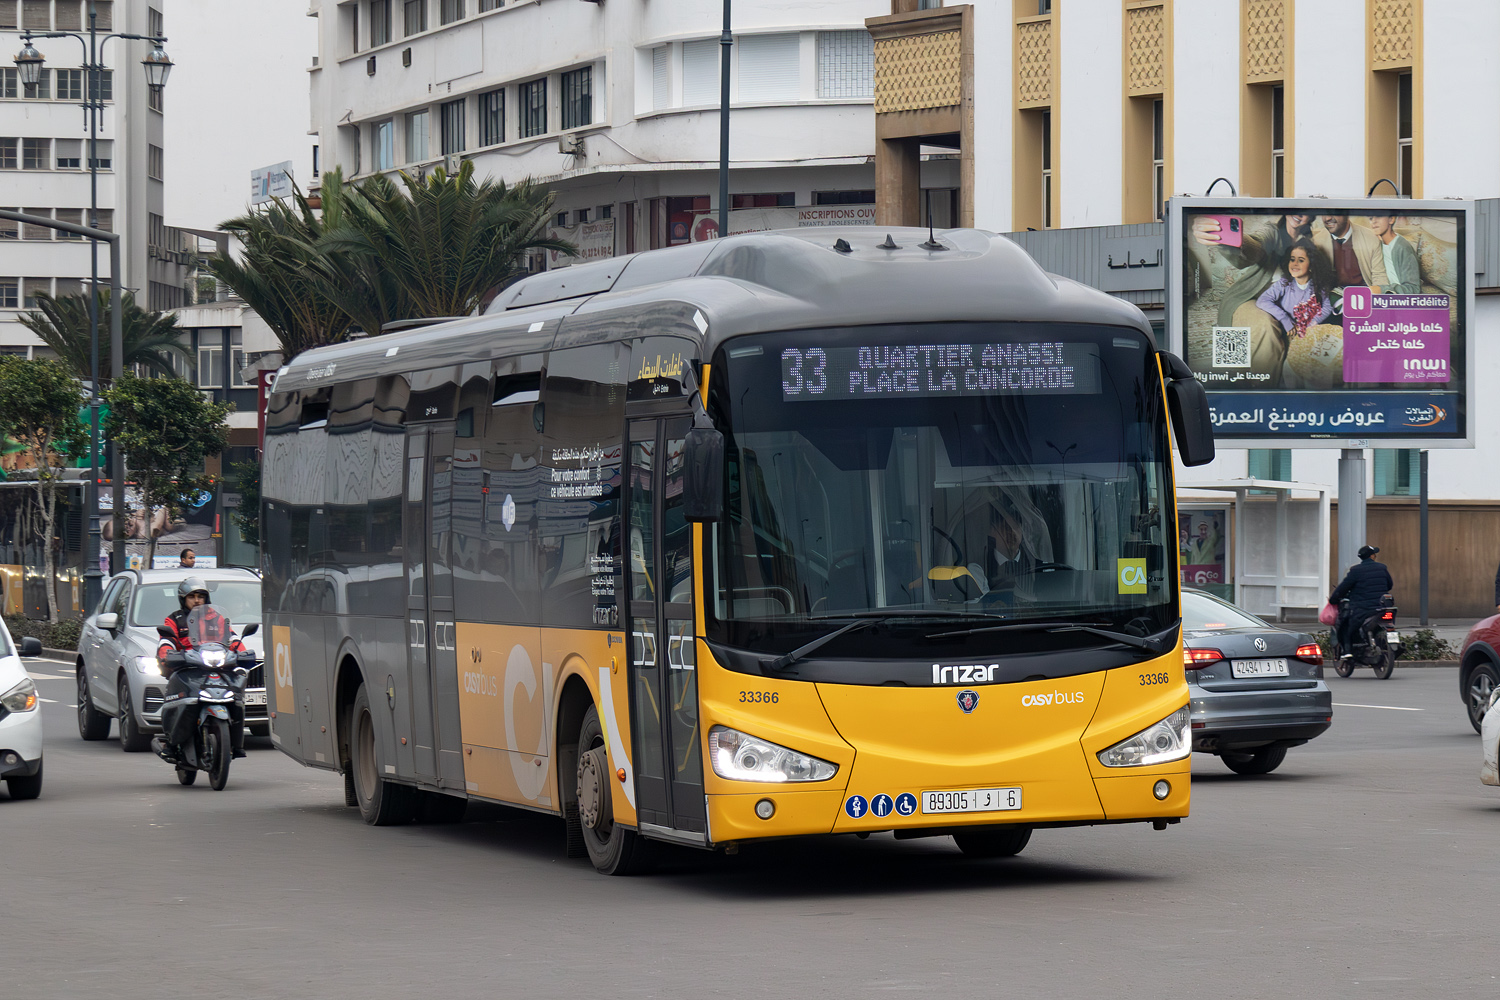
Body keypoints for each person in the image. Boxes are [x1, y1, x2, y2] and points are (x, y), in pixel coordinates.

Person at [1192, 213, 1314, 385]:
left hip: (1290, 304)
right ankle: (1264, 399)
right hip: (1252, 298)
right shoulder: (1272, 232)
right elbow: (1255, 246)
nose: (1299, 214)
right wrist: (1232, 239)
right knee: (1264, 327)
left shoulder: (1312, 239)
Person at [157, 577, 248, 763]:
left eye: (201, 596)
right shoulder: (175, 619)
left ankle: (235, 743)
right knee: (187, 702)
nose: (197, 600)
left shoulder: (217, 618)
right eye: (192, 596)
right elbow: (166, 641)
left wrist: (243, 652)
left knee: (236, 697)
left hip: (216, 665)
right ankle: (173, 744)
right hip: (188, 668)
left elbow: (231, 638)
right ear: (183, 599)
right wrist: (167, 654)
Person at [1256, 239, 1336, 339]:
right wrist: (1285, 319)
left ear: (1311, 265)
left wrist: (1310, 325)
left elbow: (1327, 307)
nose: (1295, 263)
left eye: (1301, 260)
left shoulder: (1319, 285)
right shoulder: (1284, 283)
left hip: (1308, 330)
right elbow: (1262, 300)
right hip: (1287, 328)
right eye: (1292, 259)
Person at [1311, 215, 1391, 312]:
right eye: (1324, 213)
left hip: (1365, 299)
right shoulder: (1317, 242)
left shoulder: (1371, 238)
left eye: (1333, 212)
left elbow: (1379, 277)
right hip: (1332, 303)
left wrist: (1378, 306)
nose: (1327, 218)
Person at [1329, 545, 1394, 659]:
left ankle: (1348, 652)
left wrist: (1333, 599)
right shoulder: (1382, 567)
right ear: (1372, 556)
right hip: (1382, 607)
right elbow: (1389, 585)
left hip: (1363, 609)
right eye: (1375, 554)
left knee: (1345, 626)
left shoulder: (1355, 571)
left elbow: (1343, 587)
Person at [1367, 214, 1422, 294]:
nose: (1373, 221)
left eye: (1379, 216)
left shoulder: (1402, 247)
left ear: (1391, 219)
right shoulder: (1378, 245)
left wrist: (1381, 289)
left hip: (1400, 300)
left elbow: (1413, 288)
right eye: (1371, 218)